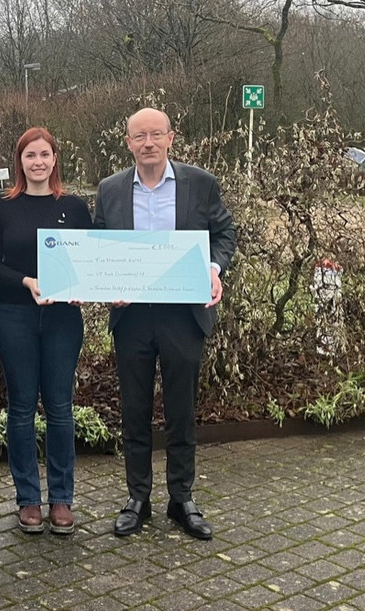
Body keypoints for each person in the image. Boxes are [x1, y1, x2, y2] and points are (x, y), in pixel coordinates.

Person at [94, 108, 235, 540]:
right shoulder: (110, 190)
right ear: (128, 142)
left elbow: (225, 234)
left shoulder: (200, 183)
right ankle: (137, 498)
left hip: (183, 315)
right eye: (140, 136)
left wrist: (213, 268)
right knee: (133, 411)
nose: (149, 142)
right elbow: (101, 242)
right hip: (133, 316)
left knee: (181, 411)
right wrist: (108, 281)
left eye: (157, 134)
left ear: (171, 138)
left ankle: (181, 497)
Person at [0, 128, 92, 535]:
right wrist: (26, 281)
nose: (38, 162)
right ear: (20, 161)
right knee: (22, 408)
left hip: (63, 319)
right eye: (30, 155)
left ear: (55, 158)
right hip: (16, 317)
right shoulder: (2, 208)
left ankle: (62, 498)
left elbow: (89, 260)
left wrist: (84, 289)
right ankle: (28, 499)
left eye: (45, 154)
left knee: (61, 408)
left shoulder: (76, 207)